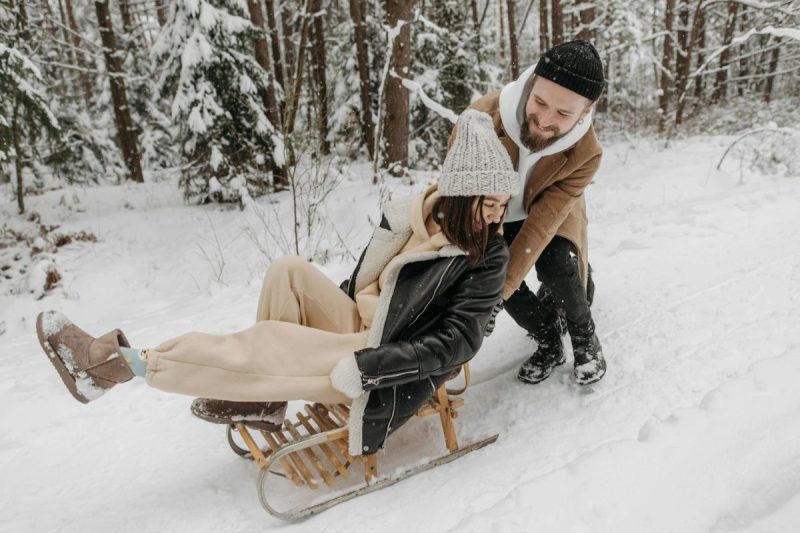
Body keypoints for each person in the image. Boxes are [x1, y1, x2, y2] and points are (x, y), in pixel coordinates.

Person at [34, 110, 518, 457]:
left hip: (384, 350)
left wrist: (370, 366)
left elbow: (459, 342)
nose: (497, 217)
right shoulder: (418, 216)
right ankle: (265, 393)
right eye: (487, 203)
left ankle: (114, 366)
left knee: (266, 341)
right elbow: (368, 281)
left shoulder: (488, 253)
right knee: (288, 269)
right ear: (456, 195)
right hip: (363, 318)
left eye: (502, 204)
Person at [451, 39, 607, 386]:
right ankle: (549, 339)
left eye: (564, 113)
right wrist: (490, 294)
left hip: (549, 205)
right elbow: (460, 205)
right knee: (494, 267)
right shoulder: (478, 122)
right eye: (540, 102)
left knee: (555, 261)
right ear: (532, 82)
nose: (544, 120)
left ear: (586, 111)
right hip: (494, 209)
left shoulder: (587, 153)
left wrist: (499, 292)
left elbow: (541, 227)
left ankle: (584, 337)